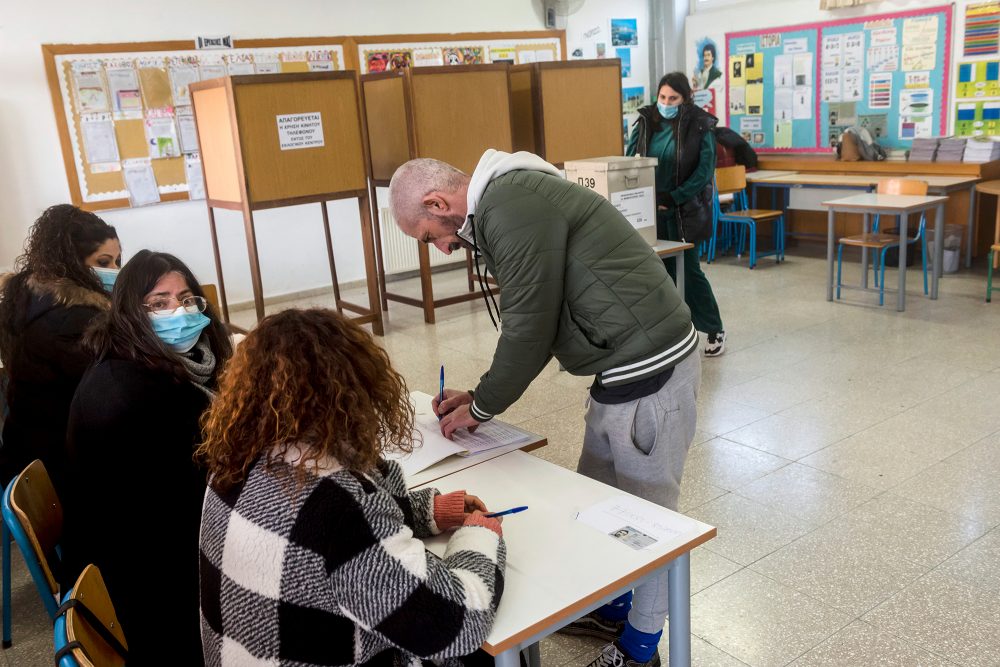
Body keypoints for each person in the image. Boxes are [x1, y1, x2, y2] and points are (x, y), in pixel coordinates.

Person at [389, 150, 701, 667]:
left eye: (429, 236)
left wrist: (484, 406)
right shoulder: (502, 207)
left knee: (649, 523)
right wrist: (479, 396)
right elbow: (533, 315)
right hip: (619, 366)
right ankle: (614, 606)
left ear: (437, 202)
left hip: (650, 371)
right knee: (600, 504)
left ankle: (641, 649)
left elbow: (529, 328)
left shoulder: (510, 206)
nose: (442, 250)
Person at [196, 308, 506, 666]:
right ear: (356, 388)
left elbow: (323, 539)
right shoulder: (339, 506)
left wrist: (428, 511)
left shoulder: (234, 463)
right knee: (481, 658)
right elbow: (455, 624)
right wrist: (481, 536)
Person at [61, 250, 232, 665]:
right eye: (159, 303)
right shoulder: (133, 392)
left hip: (159, 554)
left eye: (188, 299)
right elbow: (200, 499)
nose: (180, 311)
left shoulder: (158, 365)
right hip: (154, 590)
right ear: (130, 314)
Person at [0, 204, 120, 491]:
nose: (116, 271)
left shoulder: (30, 295)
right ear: (73, 262)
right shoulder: (72, 318)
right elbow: (108, 388)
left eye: (117, 261)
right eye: (104, 263)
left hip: (28, 447)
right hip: (56, 466)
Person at [628, 72, 727, 357]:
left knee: (689, 271)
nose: (666, 102)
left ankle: (713, 327)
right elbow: (629, 160)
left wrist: (674, 197)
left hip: (685, 210)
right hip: (649, 210)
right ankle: (672, 331)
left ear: (685, 99)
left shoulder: (701, 125)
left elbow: (704, 171)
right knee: (658, 271)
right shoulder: (647, 121)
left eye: (673, 98)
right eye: (662, 97)